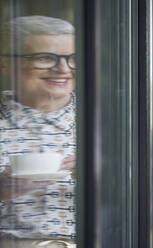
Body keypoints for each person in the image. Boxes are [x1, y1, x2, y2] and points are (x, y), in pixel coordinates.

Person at [0, 16, 76, 247]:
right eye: (44, 58)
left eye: (72, 58)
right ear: (5, 63)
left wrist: (109, 180)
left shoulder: (109, 122)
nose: (63, 69)